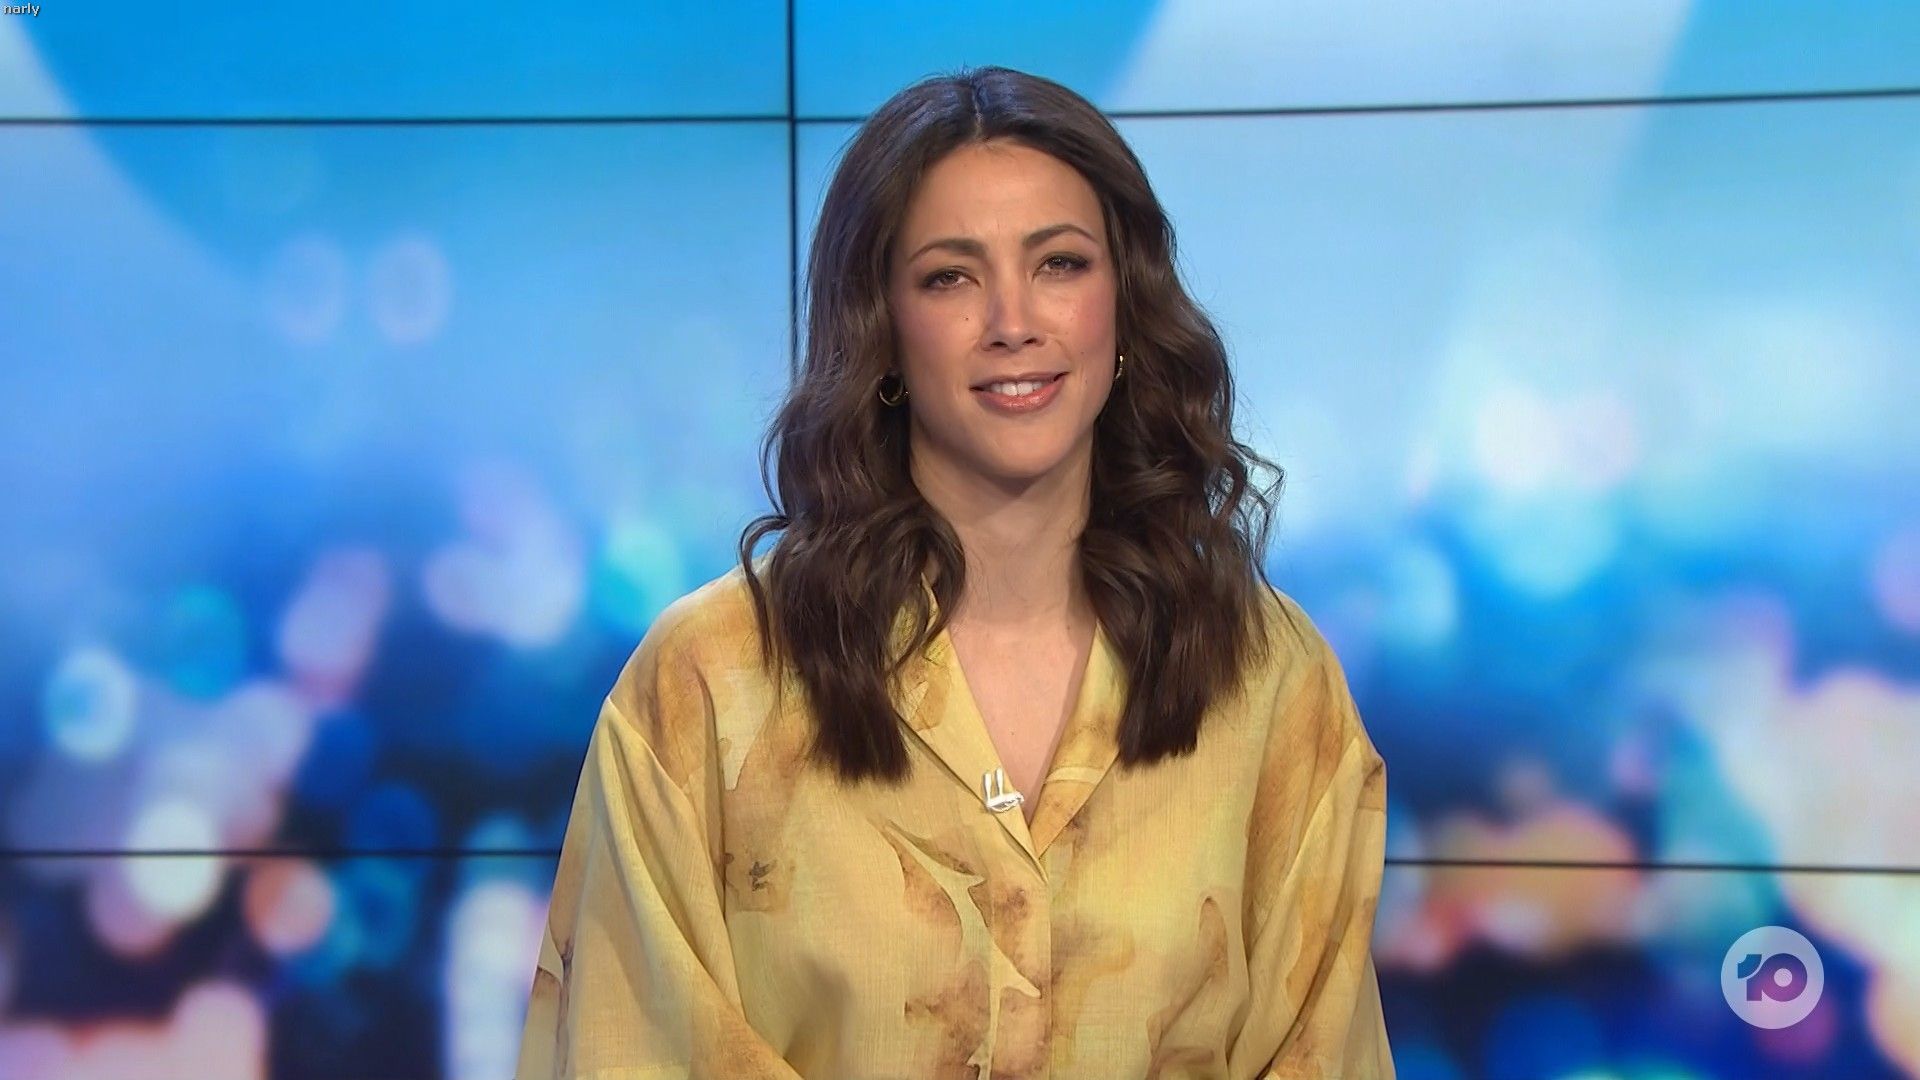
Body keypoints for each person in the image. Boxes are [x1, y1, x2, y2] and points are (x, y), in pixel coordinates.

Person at [516, 64, 1394, 1079]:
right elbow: (629, 1048)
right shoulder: (710, 682)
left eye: (1060, 264)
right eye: (950, 277)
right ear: (881, 328)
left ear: (1124, 306)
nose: (1014, 321)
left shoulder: (1268, 676)